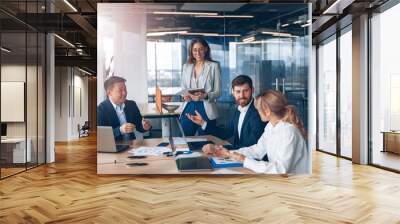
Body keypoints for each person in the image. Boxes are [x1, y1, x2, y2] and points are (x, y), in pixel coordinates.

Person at [203, 90, 310, 174]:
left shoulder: (288, 132)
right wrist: (229, 153)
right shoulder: (270, 126)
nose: (257, 112)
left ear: (267, 111)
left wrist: (244, 160)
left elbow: (280, 170)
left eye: (258, 109)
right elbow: (257, 150)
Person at [186, 75, 266, 150]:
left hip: (251, 160)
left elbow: (252, 145)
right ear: (233, 92)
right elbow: (225, 133)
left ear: (252, 90)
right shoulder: (238, 110)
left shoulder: (258, 112)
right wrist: (203, 123)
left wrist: (221, 149)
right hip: (240, 156)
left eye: (245, 91)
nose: (242, 95)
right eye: (238, 92)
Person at [179, 37, 221, 136]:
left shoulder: (214, 66)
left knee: (207, 141)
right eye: (194, 50)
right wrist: (185, 95)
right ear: (191, 51)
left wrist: (205, 96)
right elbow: (183, 87)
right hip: (189, 106)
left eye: (200, 49)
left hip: (206, 108)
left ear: (206, 49)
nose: (197, 52)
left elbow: (218, 92)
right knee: (186, 141)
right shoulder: (186, 66)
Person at [97, 76, 151, 141]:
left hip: (131, 146)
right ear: (109, 93)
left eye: (125, 89)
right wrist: (120, 130)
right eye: (120, 90)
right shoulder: (101, 110)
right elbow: (101, 136)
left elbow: (139, 125)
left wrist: (145, 126)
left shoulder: (131, 105)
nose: (124, 93)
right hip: (112, 147)